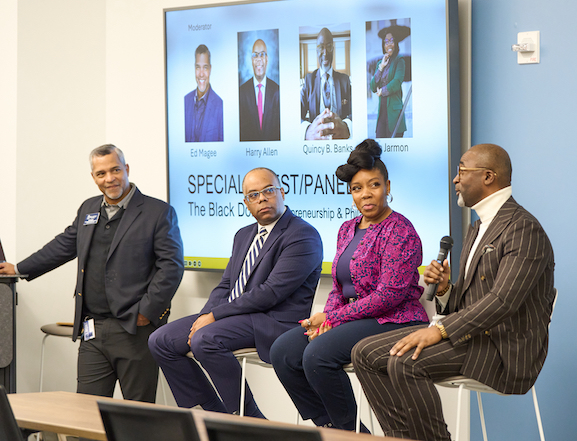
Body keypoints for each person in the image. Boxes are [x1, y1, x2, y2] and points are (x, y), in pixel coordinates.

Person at [352, 144, 556, 441]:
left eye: (462, 171)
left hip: (503, 349)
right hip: (472, 336)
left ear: (488, 177)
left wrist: (441, 330)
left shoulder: (524, 229)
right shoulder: (478, 227)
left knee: (404, 363)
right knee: (364, 353)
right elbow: (474, 299)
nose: (455, 179)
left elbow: (503, 301)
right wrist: (446, 290)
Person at [0, 144, 184, 402]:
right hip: (92, 330)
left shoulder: (157, 212)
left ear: (126, 169)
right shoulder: (89, 209)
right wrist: (19, 268)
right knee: (87, 410)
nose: (109, 179)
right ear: (93, 177)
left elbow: (172, 266)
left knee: (138, 413)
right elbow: (64, 245)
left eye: (115, 170)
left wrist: (146, 313)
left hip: (134, 328)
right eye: (101, 173)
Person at [269, 139, 427, 431]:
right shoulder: (347, 228)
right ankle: (329, 426)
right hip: (353, 318)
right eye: (357, 188)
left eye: (374, 185)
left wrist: (332, 318)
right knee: (283, 351)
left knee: (318, 355)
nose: (366, 194)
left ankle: (350, 434)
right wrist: (327, 320)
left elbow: (388, 296)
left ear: (388, 187)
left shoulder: (401, 230)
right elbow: (339, 287)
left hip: (393, 319)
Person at [149, 168, 323, 418]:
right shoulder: (243, 235)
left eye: (268, 191)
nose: (262, 198)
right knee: (160, 341)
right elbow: (226, 284)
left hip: (272, 320)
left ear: (282, 192)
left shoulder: (302, 235)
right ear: (246, 202)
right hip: (236, 317)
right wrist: (205, 315)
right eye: (253, 195)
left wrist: (215, 317)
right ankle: (211, 415)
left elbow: (271, 292)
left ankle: (249, 420)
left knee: (205, 339)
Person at [301, 27, 352, 140]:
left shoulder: (344, 80)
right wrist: (307, 131)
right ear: (316, 51)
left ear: (333, 49)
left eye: (328, 46)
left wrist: (347, 127)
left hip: (340, 143)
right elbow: (296, 114)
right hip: (316, 145)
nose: (325, 53)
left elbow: (356, 112)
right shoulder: (309, 80)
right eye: (321, 47)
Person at [370, 25, 409, 138]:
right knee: (380, 144)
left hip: (394, 112)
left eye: (392, 41)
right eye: (386, 42)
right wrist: (381, 67)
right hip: (382, 112)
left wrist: (382, 91)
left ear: (396, 43)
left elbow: (397, 82)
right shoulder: (379, 63)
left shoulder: (399, 60)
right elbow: (372, 87)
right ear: (383, 46)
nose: (389, 44)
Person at [239, 39, 281, 141]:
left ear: (267, 59)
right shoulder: (241, 92)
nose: (259, 59)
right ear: (251, 60)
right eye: (255, 55)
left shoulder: (277, 91)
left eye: (262, 55)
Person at [185, 44, 223, 142]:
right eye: (198, 67)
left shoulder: (220, 105)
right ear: (194, 68)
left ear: (210, 69)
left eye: (205, 68)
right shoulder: (185, 101)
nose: (201, 74)